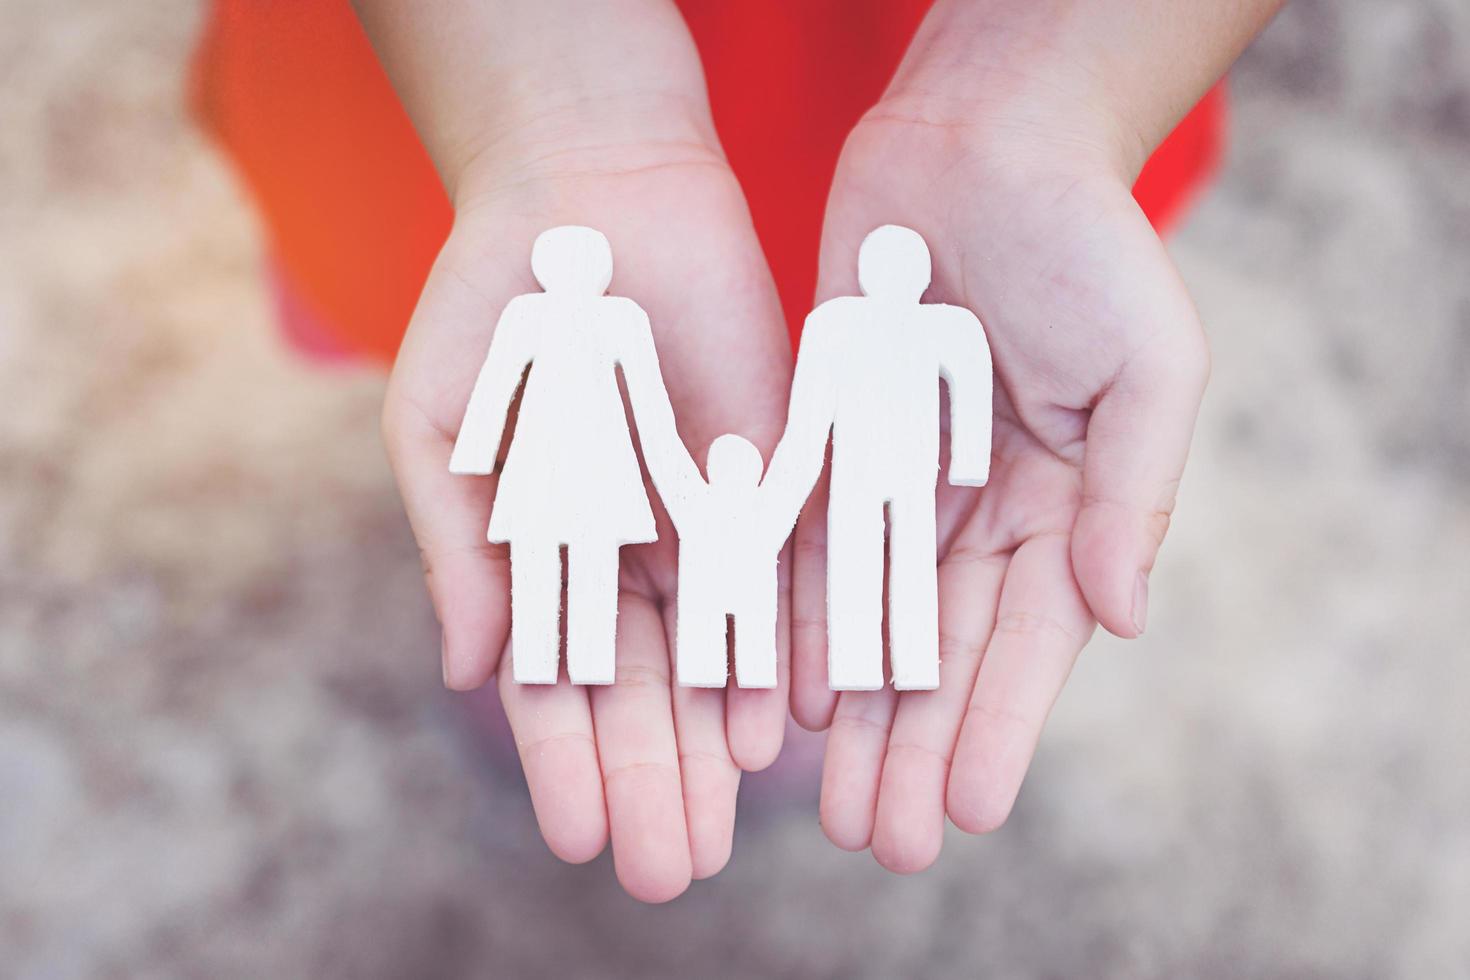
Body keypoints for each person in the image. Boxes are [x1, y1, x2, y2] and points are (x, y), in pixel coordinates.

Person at [198, 0, 1284, 902]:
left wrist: (1048, 85)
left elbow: (913, 395)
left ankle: (805, 661)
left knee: (886, 569)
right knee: (452, 307)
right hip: (482, 56)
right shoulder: (598, 313)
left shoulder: (925, 321)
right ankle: (623, 640)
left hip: (942, 102)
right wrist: (539, 108)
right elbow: (616, 400)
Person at [448, 226, 676, 687]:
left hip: (577, 454)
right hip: (557, 453)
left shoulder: (613, 317)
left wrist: (667, 461)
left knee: (568, 554)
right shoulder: (536, 314)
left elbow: (649, 397)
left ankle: (578, 659)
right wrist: (474, 449)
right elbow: (496, 383)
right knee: (551, 553)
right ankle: (543, 660)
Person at [766, 225, 992, 691]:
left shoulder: (939, 326)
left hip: (897, 468)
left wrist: (970, 461)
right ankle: (862, 663)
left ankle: (903, 663)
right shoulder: (837, 325)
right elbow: (810, 412)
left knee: (893, 558)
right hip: (866, 467)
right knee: (867, 560)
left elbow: (970, 385)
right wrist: (793, 477)